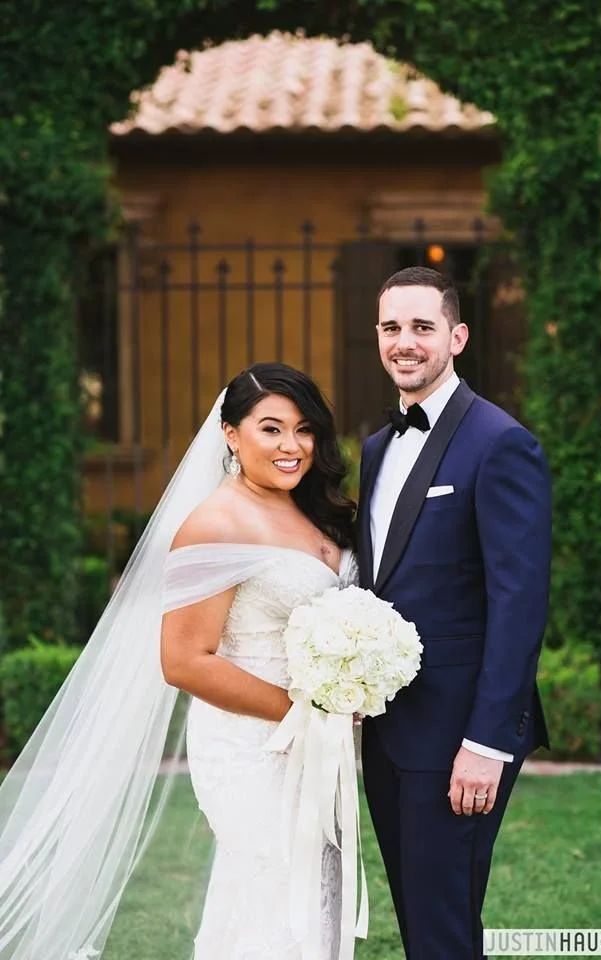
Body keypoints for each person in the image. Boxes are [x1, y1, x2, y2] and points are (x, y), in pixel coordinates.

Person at [0, 362, 357, 960]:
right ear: (230, 433)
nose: (291, 446)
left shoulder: (309, 508)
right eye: (271, 429)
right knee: (271, 898)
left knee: (309, 897)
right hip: (250, 745)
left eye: (304, 429)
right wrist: (302, 711)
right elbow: (184, 661)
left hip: (314, 743)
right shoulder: (216, 522)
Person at [358, 266, 552, 959]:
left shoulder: (501, 444)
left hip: (458, 738)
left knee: (441, 928)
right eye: (391, 327)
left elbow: (519, 603)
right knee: (422, 921)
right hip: (387, 731)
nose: (404, 342)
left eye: (421, 327)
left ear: (457, 336)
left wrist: (487, 743)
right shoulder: (377, 448)